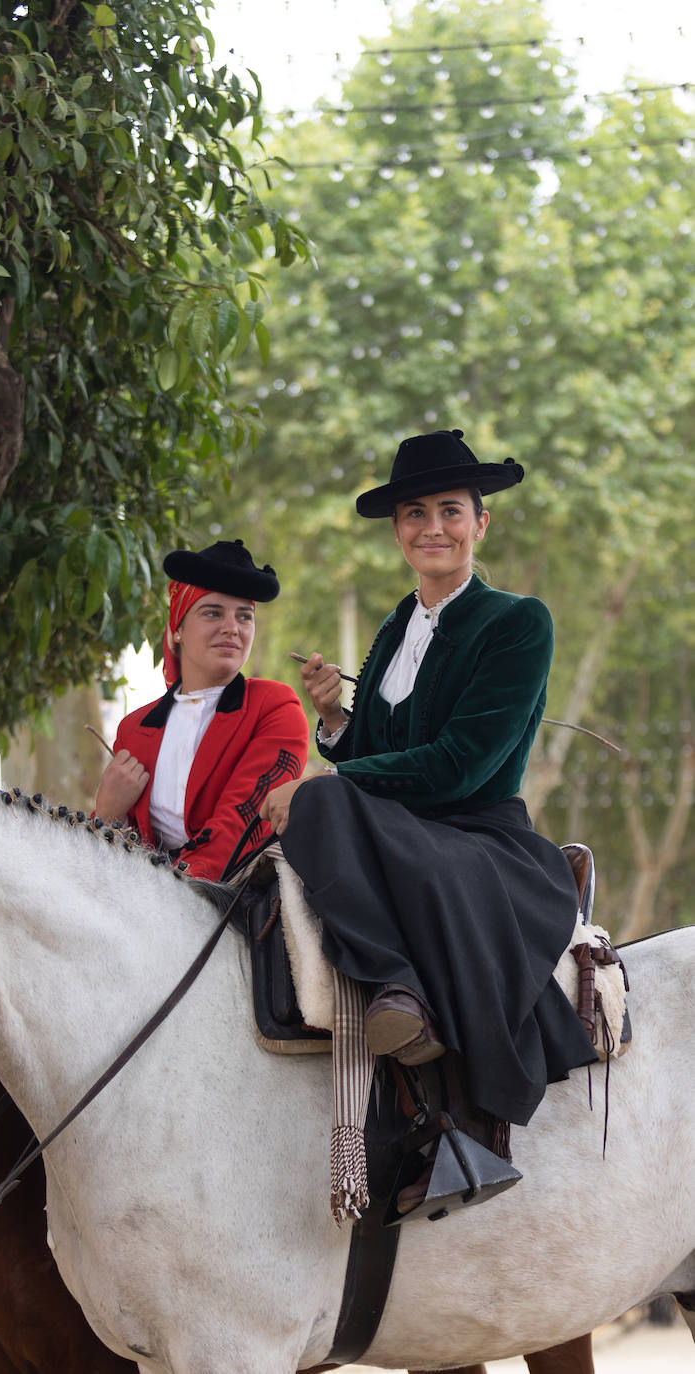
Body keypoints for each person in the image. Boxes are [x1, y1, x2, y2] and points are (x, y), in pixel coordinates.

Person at [261, 427, 598, 1210]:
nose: (433, 528)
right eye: (415, 514)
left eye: (450, 511)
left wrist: (324, 779)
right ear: (397, 531)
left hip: (480, 835)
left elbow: (461, 765)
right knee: (321, 807)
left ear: (482, 523)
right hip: (400, 828)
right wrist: (335, 723)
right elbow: (378, 757)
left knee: (323, 800)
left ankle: (400, 992)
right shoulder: (393, 628)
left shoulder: (519, 622)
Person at [94, 537, 309, 880]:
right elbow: (113, 851)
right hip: (146, 892)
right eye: (212, 613)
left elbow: (241, 826)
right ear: (177, 628)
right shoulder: (134, 728)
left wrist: (166, 886)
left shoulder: (274, 707)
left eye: (244, 616)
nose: (232, 628)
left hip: (235, 895)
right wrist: (107, 814)